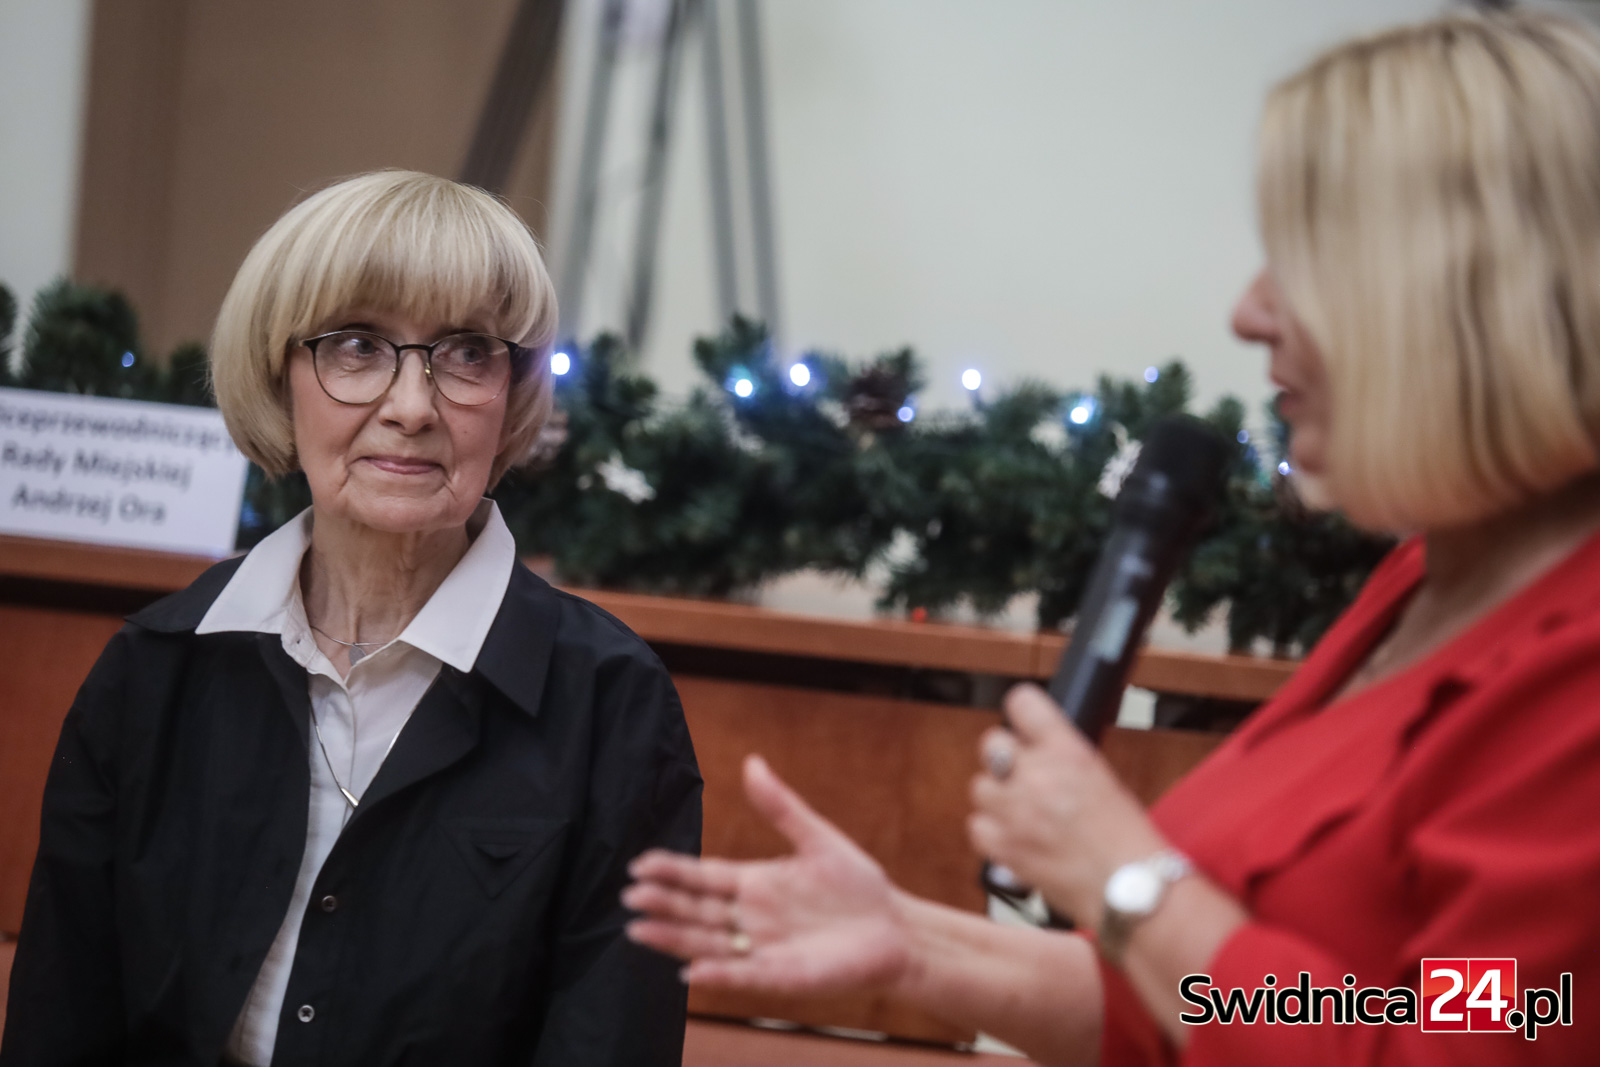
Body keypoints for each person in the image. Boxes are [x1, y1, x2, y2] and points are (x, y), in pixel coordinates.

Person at [623, 11, 1600, 1065]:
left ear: (1468, 300)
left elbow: (1452, 1036)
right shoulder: (1424, 581)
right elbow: (1222, 1007)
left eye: (1301, 267)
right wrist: (915, 945)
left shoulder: (1575, 667)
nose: (1248, 312)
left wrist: (1128, 879)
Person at [1, 171, 702, 1066]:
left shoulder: (613, 704)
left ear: (512, 393)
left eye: (467, 352)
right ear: (280, 375)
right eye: (358, 346)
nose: (411, 408)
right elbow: (60, 1024)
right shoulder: (153, 669)